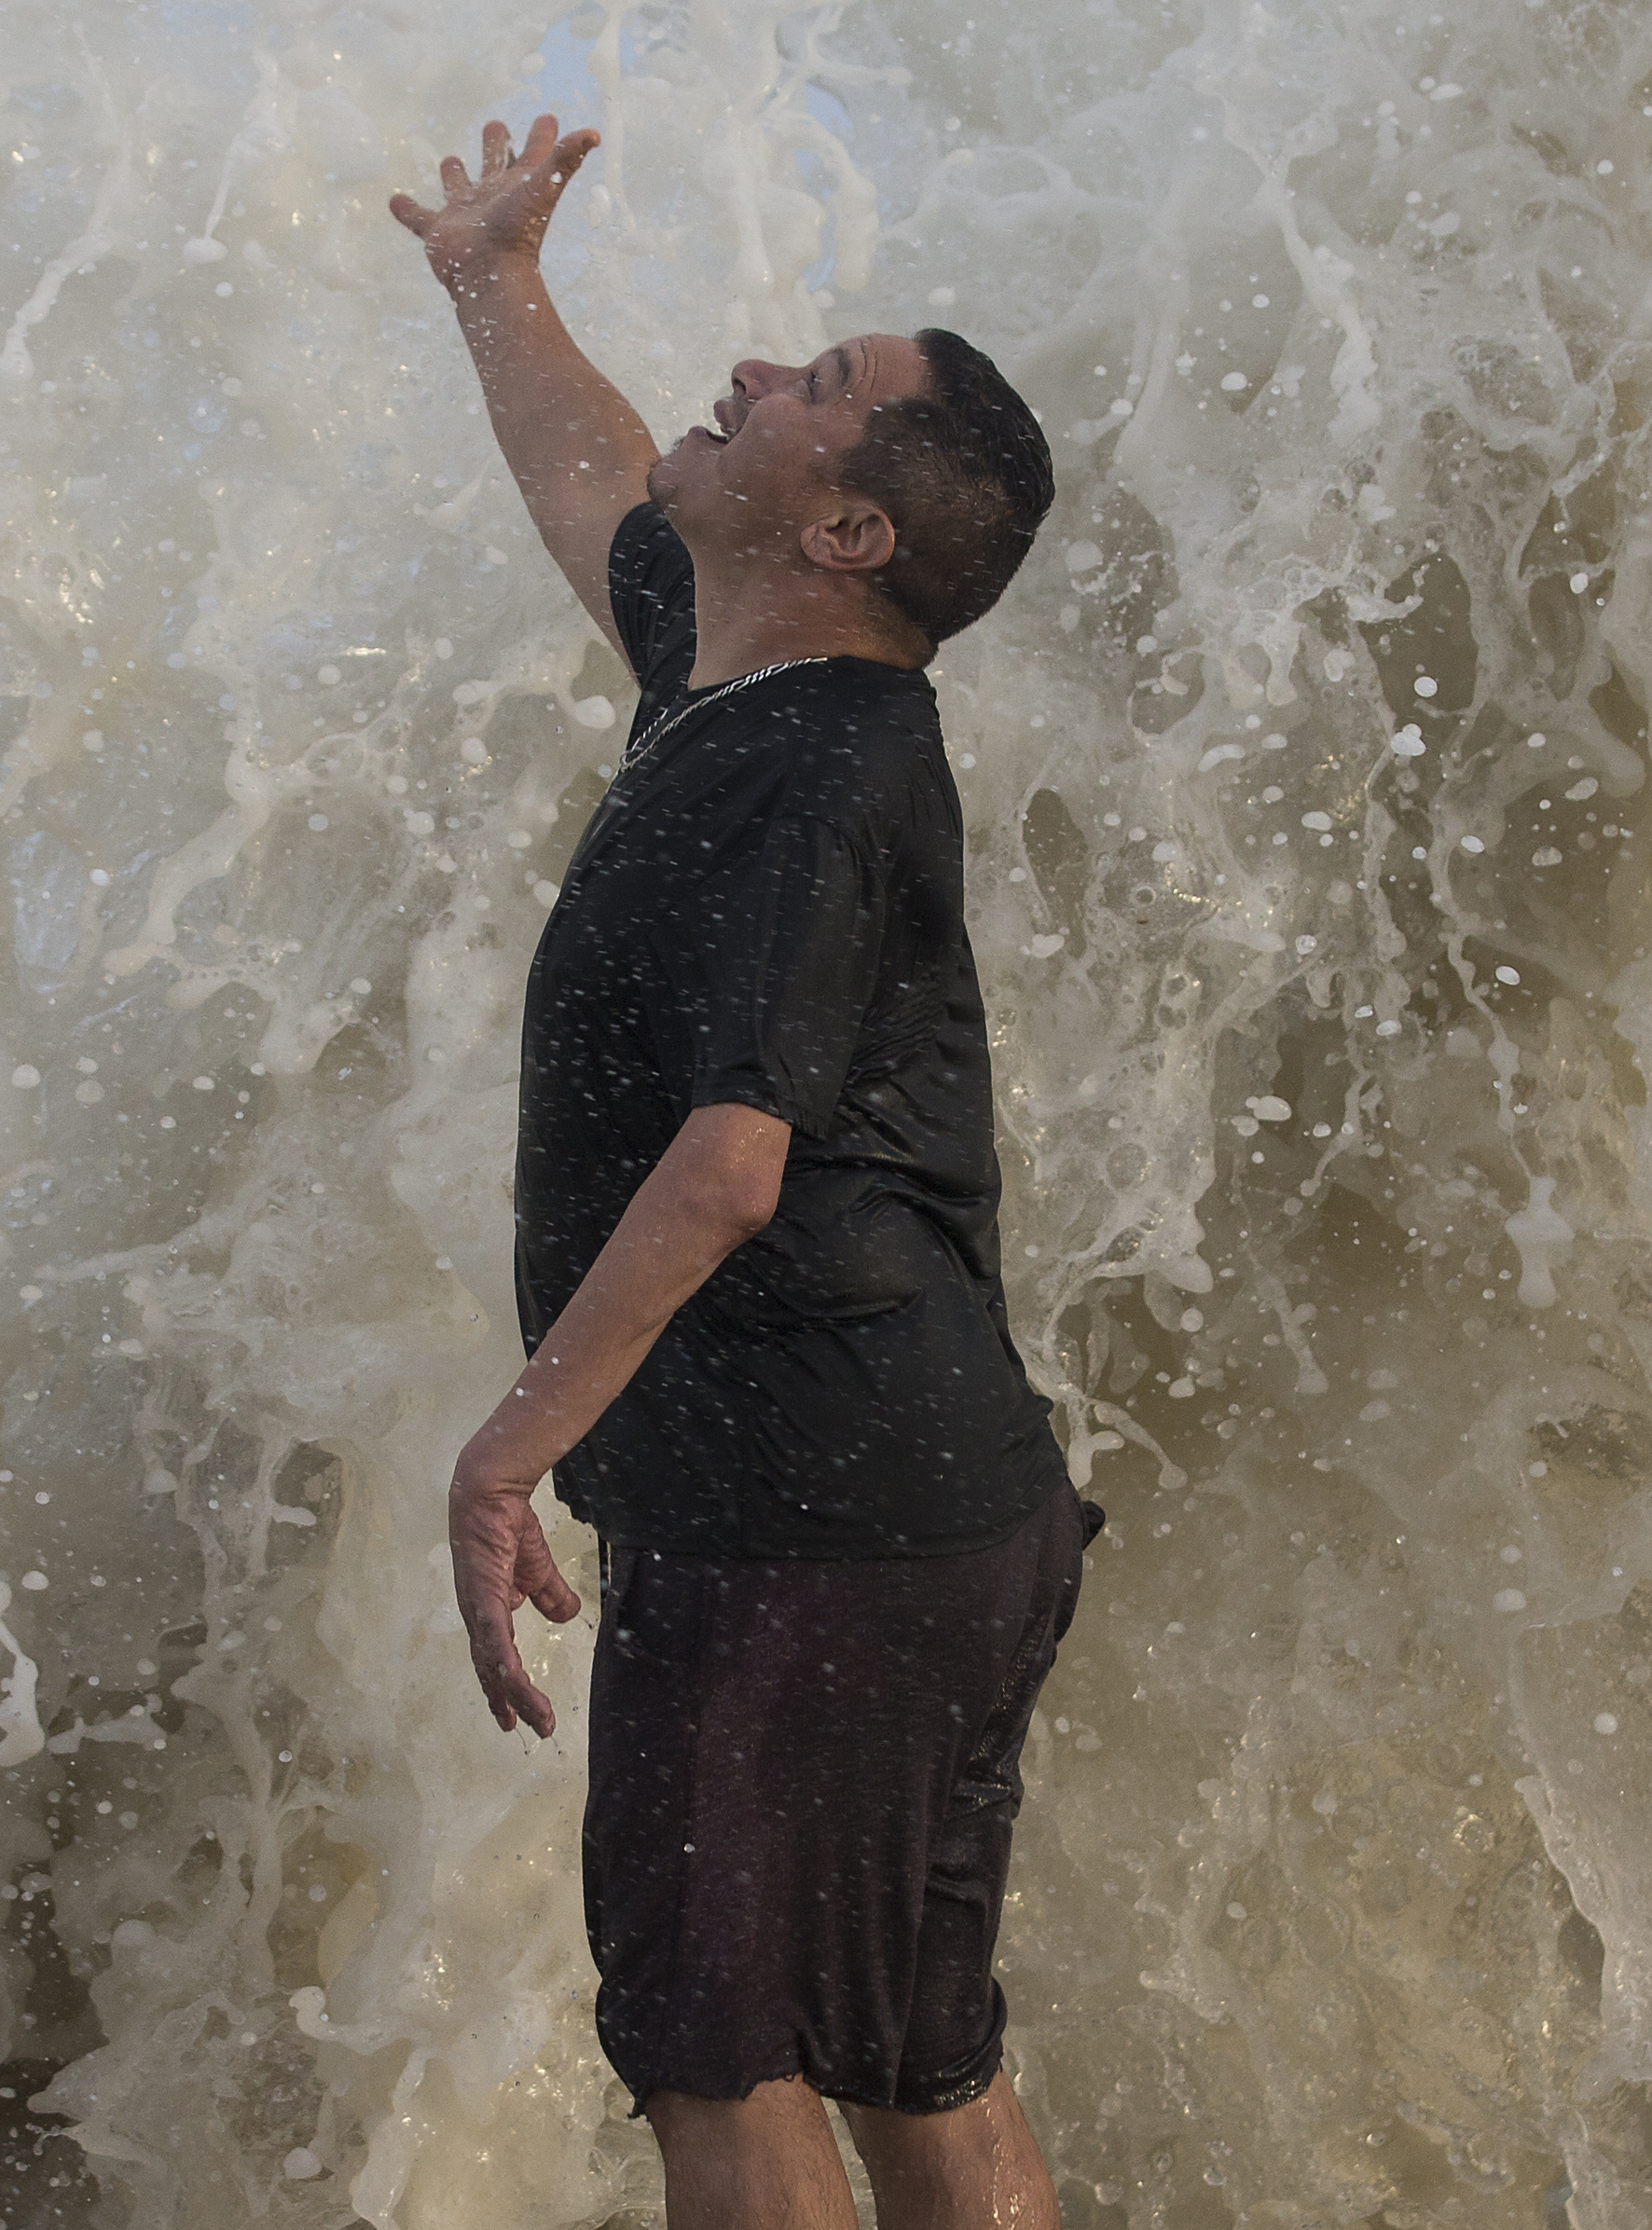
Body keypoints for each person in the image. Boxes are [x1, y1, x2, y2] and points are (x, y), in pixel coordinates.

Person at [390, 117, 1091, 2230]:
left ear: (852, 527)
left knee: (726, 2066)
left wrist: (509, 1453)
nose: (761, 371)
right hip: (908, 1510)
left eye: (820, 385)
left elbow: (730, 1165)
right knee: (911, 2061)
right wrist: (495, 283)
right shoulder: (744, 686)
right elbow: (600, 484)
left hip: (808, 1516)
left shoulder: (816, 765)